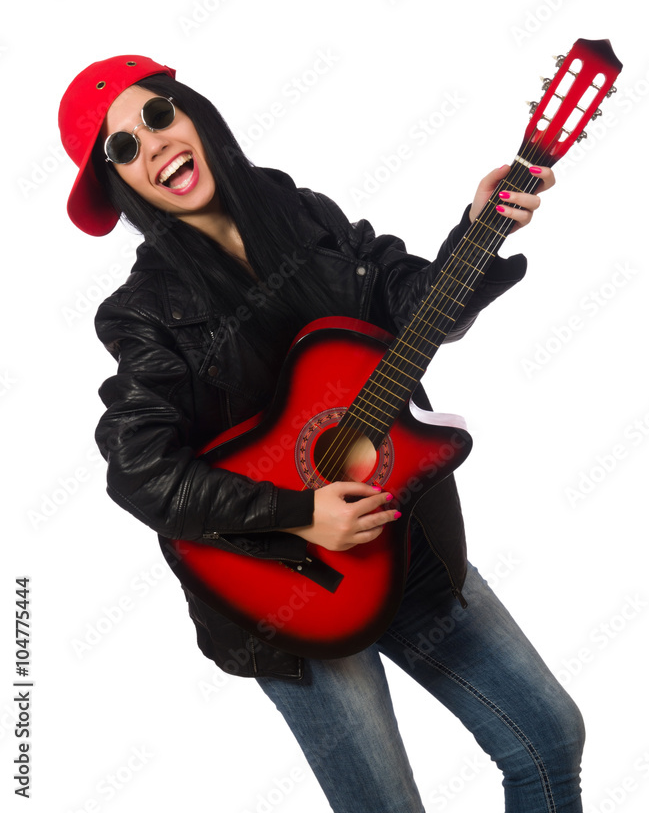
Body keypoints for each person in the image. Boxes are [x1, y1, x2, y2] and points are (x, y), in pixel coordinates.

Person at [59, 54, 585, 812]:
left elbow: (407, 307)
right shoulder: (143, 310)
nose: (152, 143)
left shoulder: (298, 211)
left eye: (157, 114)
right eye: (122, 147)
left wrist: (478, 231)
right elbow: (137, 467)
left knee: (548, 735)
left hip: (403, 538)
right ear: (121, 183)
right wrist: (303, 514)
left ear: (193, 111)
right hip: (285, 599)